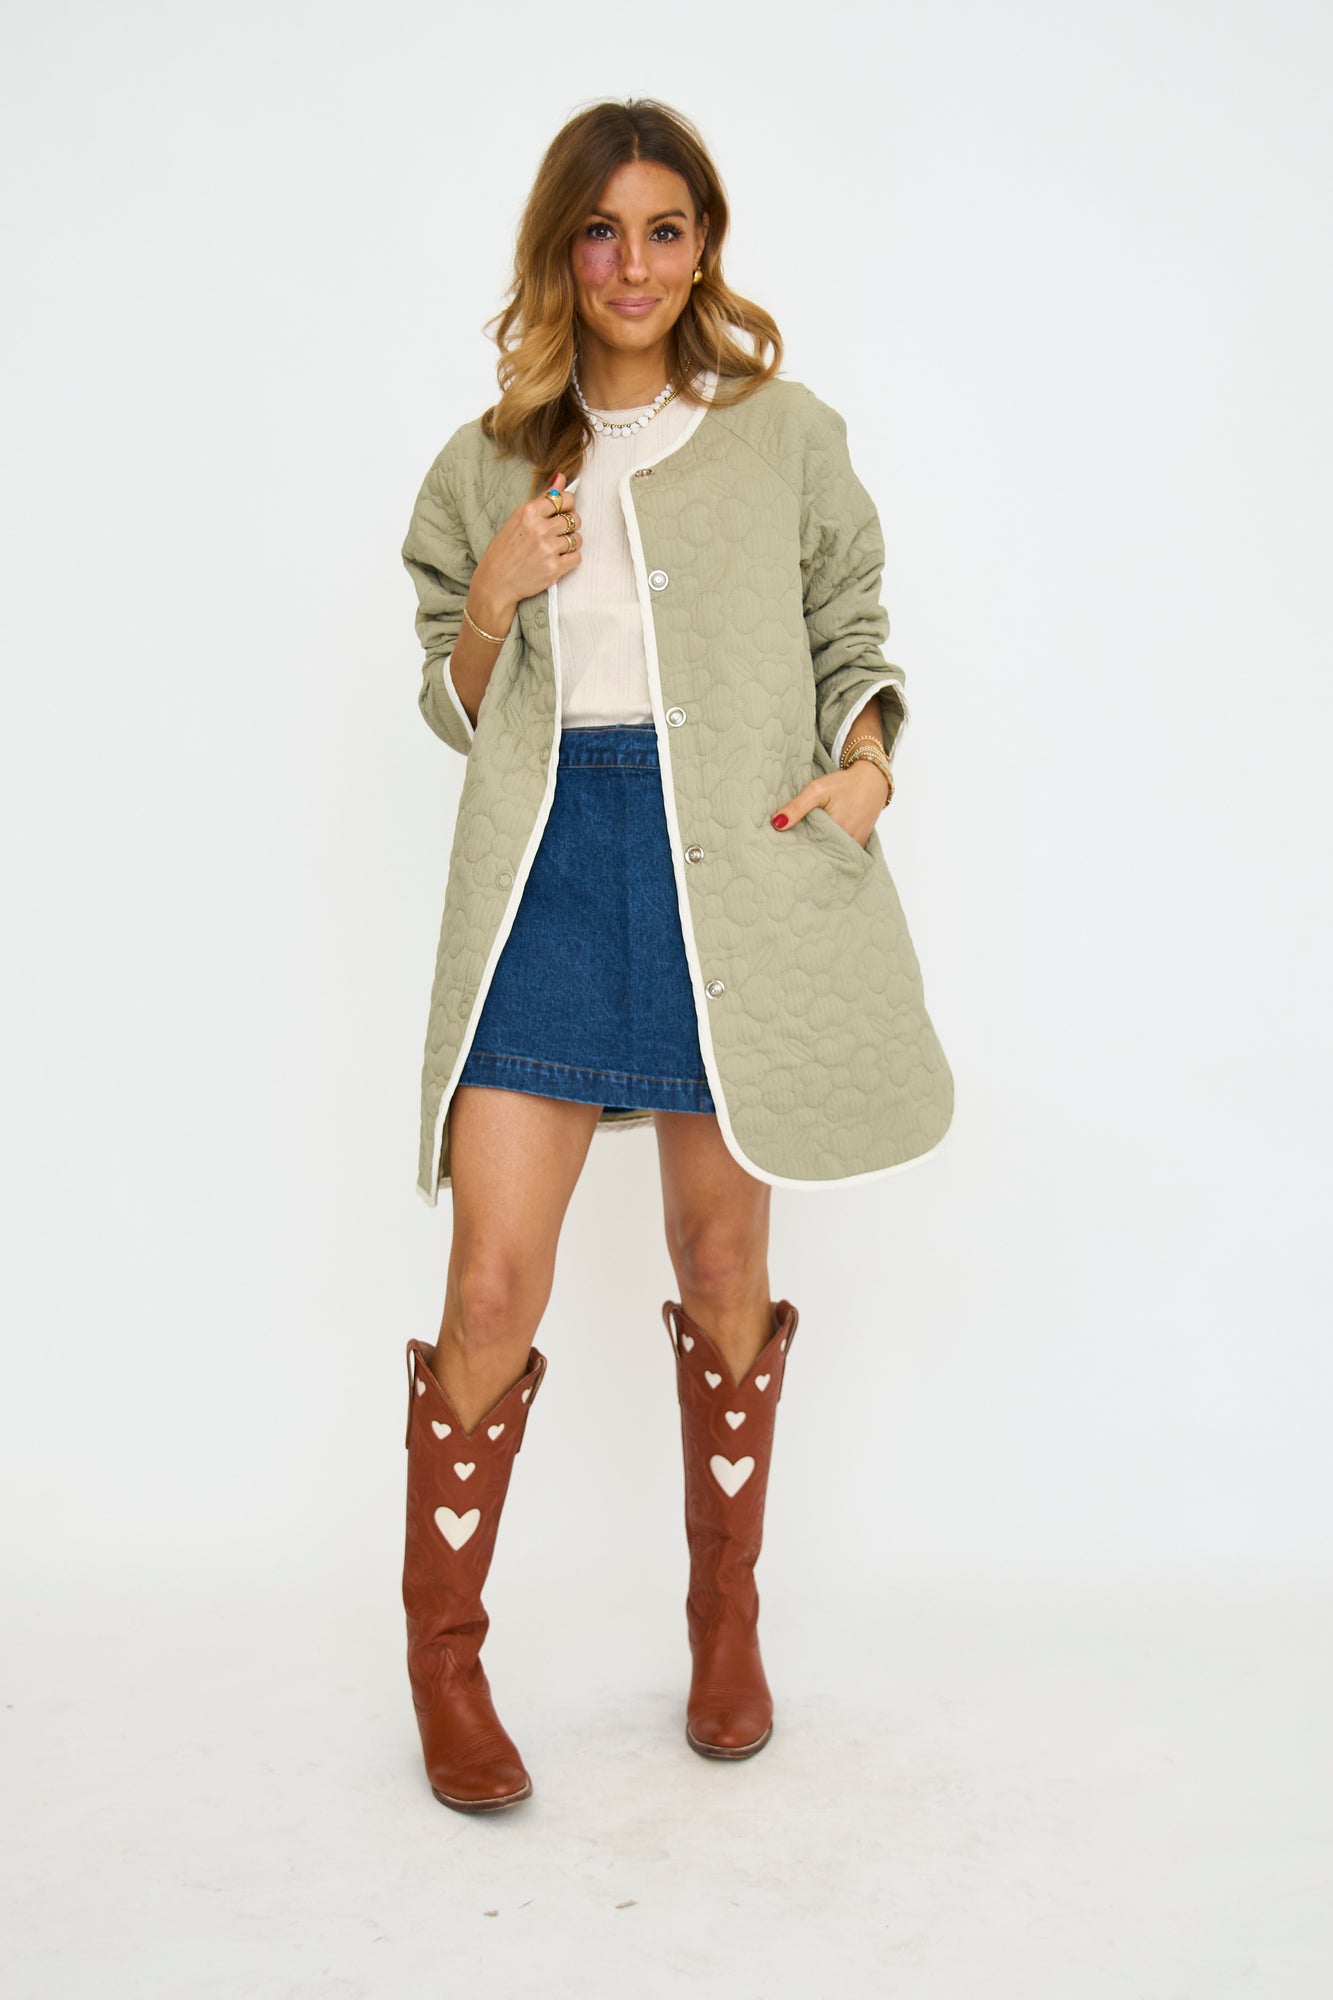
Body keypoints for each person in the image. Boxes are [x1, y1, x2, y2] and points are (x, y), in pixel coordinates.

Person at [398, 97, 954, 1814]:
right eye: (600, 231)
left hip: (732, 870)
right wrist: (494, 592)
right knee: (487, 1290)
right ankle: (445, 1664)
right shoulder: (488, 461)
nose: (632, 264)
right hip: (547, 879)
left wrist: (865, 768)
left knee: (723, 1268)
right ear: (558, 250)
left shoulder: (782, 433)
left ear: (702, 244)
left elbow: (852, 621)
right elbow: (452, 704)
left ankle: (727, 1621)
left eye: (663, 228)